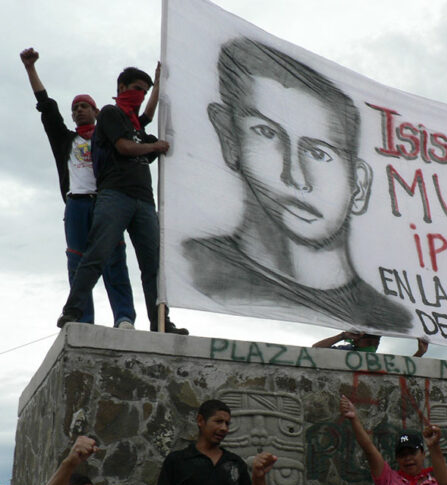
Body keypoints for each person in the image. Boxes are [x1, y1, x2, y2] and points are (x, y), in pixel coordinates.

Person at [186, 36, 412, 332]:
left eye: (319, 153)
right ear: (229, 138)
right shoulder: (187, 269)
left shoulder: (394, 320)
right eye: (266, 133)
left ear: (359, 184)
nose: (294, 176)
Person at [56, 65, 186, 334]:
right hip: (115, 195)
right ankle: (73, 310)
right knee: (97, 254)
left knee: (153, 265)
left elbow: (148, 114)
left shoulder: (136, 126)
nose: (141, 95)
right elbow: (124, 147)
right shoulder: (110, 114)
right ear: (122, 88)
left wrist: (158, 84)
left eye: (145, 92)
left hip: (144, 201)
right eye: (137, 89)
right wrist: (155, 146)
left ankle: (160, 321)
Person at [21, 47, 137, 328]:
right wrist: (30, 68)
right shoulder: (66, 140)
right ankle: (83, 320)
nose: (78, 110)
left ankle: (124, 317)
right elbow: (46, 106)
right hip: (76, 204)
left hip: (105, 203)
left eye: (84, 106)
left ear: (97, 111)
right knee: (77, 261)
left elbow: (138, 121)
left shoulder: (108, 139)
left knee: (114, 258)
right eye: (75, 108)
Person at [314, 331, 428, 357]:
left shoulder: (376, 361)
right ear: (356, 340)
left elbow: (403, 371)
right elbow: (316, 348)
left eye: (377, 342)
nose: (373, 346)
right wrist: (342, 336)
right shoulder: (344, 352)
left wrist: (420, 352)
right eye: (369, 341)